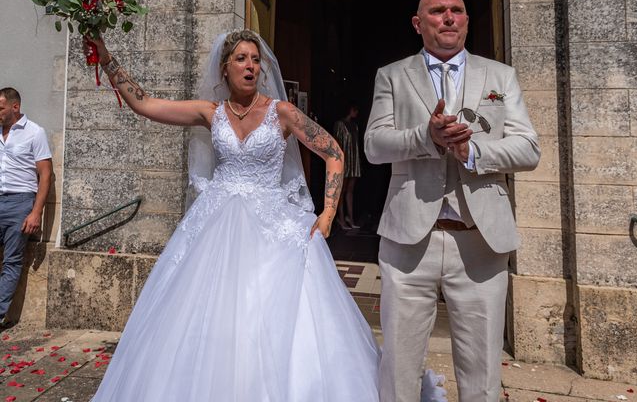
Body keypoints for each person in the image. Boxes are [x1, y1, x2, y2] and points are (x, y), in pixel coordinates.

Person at [87, 29, 380, 401]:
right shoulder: (211, 113)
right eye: (242, 59)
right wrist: (105, 55)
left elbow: (334, 152)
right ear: (224, 69)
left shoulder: (282, 113)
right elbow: (144, 103)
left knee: (266, 316)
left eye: (256, 60)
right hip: (214, 225)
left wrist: (328, 213)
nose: (251, 67)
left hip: (272, 229)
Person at [364, 0, 540, 401]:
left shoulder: (500, 76)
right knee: (399, 369)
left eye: (457, 10)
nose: (449, 17)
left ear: (466, 19)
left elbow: (528, 148)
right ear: (417, 23)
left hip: (480, 242)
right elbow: (374, 145)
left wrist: (470, 149)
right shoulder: (392, 75)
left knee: (481, 373)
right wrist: (425, 137)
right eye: (438, 11)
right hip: (409, 242)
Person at [0, 87, 52, 326]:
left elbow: (45, 175)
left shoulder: (35, 133)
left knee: (12, 261)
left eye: (0, 108)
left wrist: (36, 212)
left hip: (20, 203)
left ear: (15, 107)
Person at [333, 102, 361, 229]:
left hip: (353, 161)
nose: (356, 112)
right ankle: (341, 218)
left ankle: (350, 218)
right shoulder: (340, 124)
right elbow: (336, 143)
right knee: (342, 191)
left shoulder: (355, 126)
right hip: (344, 161)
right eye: (355, 109)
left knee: (350, 191)